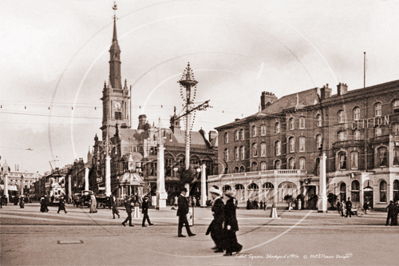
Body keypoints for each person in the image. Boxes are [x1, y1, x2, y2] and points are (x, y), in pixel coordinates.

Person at [223, 191, 242, 256]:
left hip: (230, 222)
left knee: (228, 237)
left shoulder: (229, 204)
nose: (224, 197)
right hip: (232, 222)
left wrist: (229, 224)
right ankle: (237, 247)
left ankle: (229, 251)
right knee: (232, 236)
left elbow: (230, 215)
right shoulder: (230, 203)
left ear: (228, 197)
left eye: (225, 195)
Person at [206, 187, 224, 253]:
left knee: (216, 233)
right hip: (217, 219)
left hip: (218, 220)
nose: (211, 195)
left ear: (215, 194)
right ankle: (218, 245)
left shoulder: (218, 201)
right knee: (214, 232)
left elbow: (219, 209)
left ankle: (220, 247)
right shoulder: (216, 200)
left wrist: (214, 210)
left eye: (212, 194)